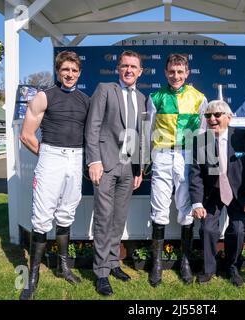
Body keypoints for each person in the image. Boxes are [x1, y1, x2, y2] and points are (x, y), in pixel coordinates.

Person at [19, 51, 89, 300]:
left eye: (74, 70)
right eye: (65, 70)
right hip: (51, 156)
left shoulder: (85, 100)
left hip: (76, 157)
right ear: (58, 71)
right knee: (41, 217)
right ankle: (32, 278)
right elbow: (26, 135)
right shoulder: (43, 97)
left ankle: (63, 267)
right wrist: (48, 155)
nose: (69, 74)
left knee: (66, 212)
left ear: (79, 73)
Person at [85, 50, 145, 296]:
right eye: (124, 66)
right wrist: (94, 161)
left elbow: (140, 135)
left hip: (129, 168)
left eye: (133, 67)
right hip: (106, 164)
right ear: (118, 69)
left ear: (140, 72)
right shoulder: (105, 89)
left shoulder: (142, 98)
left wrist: (139, 169)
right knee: (103, 218)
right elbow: (93, 126)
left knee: (119, 218)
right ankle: (100, 272)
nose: (129, 70)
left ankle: (112, 263)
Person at [147, 53, 208, 287]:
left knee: (186, 209)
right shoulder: (155, 97)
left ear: (187, 73)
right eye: (172, 71)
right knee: (159, 208)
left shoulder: (199, 98)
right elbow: (147, 129)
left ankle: (185, 262)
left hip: (187, 155)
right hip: (161, 154)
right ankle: (157, 264)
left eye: (180, 72)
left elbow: (203, 133)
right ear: (165, 72)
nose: (175, 76)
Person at [189, 100, 245, 287]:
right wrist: (197, 203)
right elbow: (195, 175)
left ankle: (233, 268)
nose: (212, 119)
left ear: (228, 118)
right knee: (207, 229)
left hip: (239, 195)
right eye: (208, 115)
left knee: (237, 230)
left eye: (217, 115)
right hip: (212, 194)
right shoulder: (201, 141)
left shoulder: (243, 137)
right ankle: (208, 269)